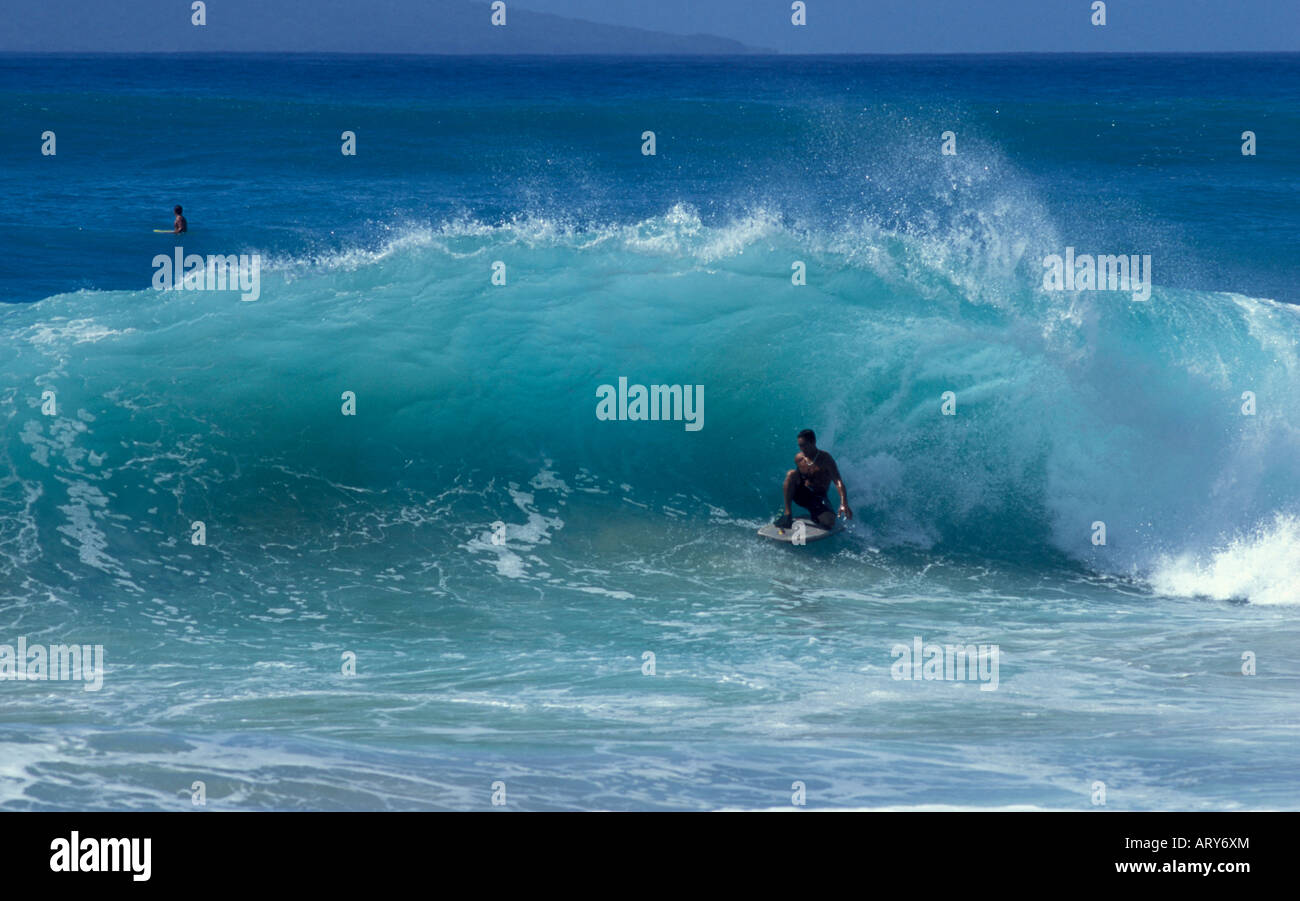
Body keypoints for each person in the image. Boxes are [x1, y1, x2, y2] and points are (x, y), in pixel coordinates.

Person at [774, 429, 852, 529]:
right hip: (801, 496)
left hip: (818, 497)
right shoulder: (799, 458)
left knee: (829, 522)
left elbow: (838, 482)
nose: (802, 449)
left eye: (804, 445)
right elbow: (795, 479)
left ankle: (817, 514)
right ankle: (787, 514)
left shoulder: (825, 459)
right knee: (791, 474)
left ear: (813, 442)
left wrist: (844, 503)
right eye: (800, 446)